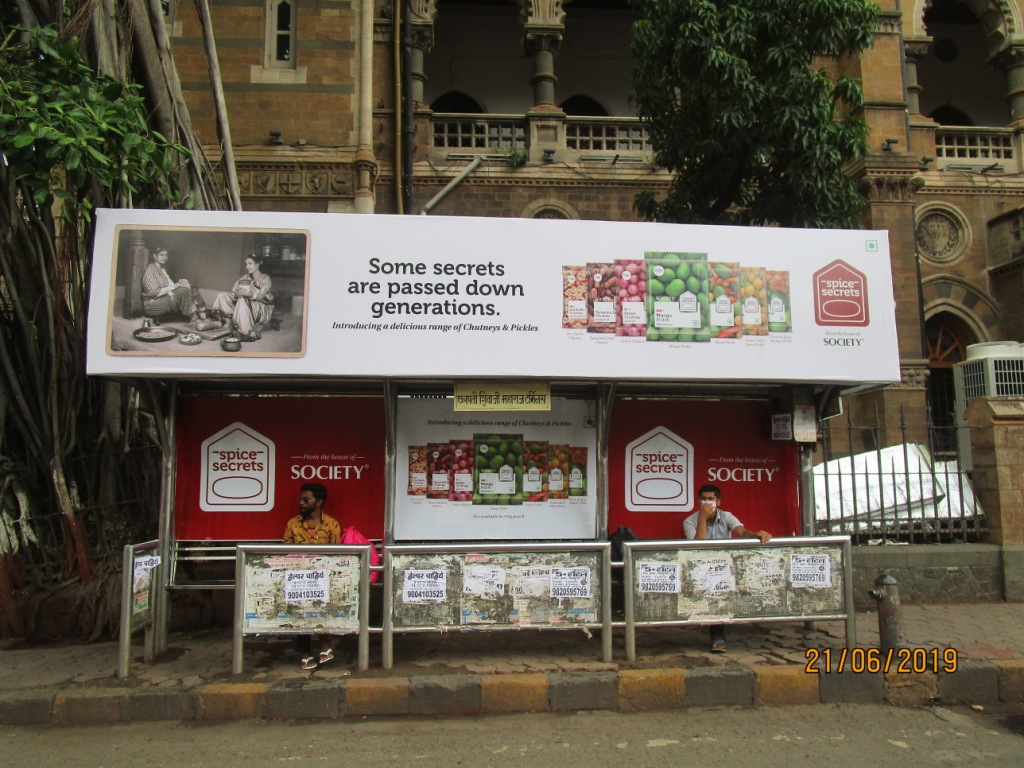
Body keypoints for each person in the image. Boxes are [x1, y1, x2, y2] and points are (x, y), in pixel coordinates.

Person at [683, 483, 772, 653]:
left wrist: (756, 535)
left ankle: (723, 632)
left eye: (711, 499)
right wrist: (702, 519)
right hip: (701, 567)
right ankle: (716, 634)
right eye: (703, 499)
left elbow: (742, 531)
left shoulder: (726, 516)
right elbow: (698, 547)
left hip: (725, 566)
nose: (707, 502)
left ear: (718, 502)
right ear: (698, 501)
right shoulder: (690, 521)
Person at [283, 482, 342, 670]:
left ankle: (325, 644)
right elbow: (285, 550)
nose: (301, 503)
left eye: (306, 499)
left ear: (319, 502)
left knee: (322, 606)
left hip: (323, 578)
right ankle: (305, 653)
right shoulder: (293, 524)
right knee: (301, 612)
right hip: (299, 578)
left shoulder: (332, 524)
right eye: (300, 499)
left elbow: (337, 554)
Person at [141, 247, 217, 328]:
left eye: (166, 255)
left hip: (165, 298)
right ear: (154, 256)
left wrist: (180, 283)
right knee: (183, 291)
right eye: (161, 255)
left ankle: (204, 316)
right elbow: (154, 292)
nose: (164, 257)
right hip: (153, 304)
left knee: (192, 288)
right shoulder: (150, 270)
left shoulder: (162, 269)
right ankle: (194, 319)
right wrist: (175, 287)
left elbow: (171, 286)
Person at [212, 254, 274, 340]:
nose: (247, 266)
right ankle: (228, 322)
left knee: (242, 298)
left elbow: (261, 297)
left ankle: (246, 331)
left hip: (261, 307)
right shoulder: (244, 278)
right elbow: (234, 291)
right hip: (244, 305)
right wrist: (236, 295)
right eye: (246, 264)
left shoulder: (265, 278)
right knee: (222, 295)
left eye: (250, 263)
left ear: (257, 264)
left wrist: (247, 294)